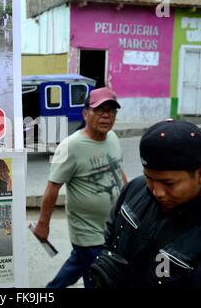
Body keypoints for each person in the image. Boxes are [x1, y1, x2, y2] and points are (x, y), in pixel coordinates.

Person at [89, 119, 201, 288]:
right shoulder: (135, 189)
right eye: (149, 178)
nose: (157, 192)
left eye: (169, 183)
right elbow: (111, 234)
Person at [33, 87, 127, 288]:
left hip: (111, 228)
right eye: (100, 110)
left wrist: (129, 203)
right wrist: (43, 224)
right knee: (99, 280)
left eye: (111, 110)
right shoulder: (71, 146)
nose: (106, 115)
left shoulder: (113, 138)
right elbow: (52, 187)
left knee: (78, 263)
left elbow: (119, 172)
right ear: (85, 114)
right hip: (88, 233)